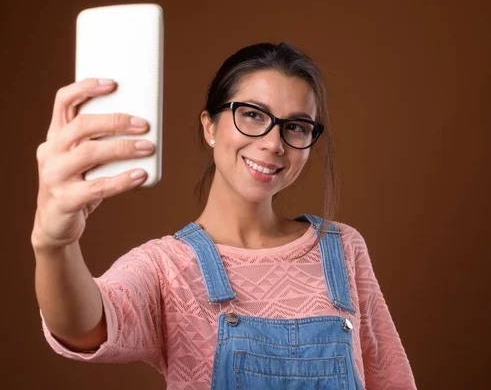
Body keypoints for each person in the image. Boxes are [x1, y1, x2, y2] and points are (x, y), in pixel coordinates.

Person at [32, 42, 416, 389]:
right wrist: (54, 245)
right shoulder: (167, 267)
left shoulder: (342, 248)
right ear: (210, 126)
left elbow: (392, 381)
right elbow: (82, 327)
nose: (272, 143)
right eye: (252, 115)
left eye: (296, 127)